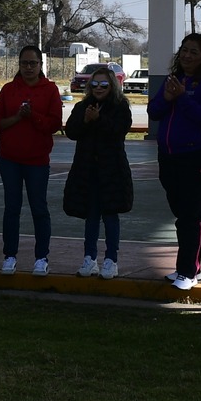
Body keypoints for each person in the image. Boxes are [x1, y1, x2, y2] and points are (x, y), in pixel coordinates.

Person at [150, 32, 201, 292]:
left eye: (194, 51)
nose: (187, 55)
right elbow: (154, 111)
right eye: (184, 50)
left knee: (192, 216)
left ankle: (187, 271)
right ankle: (193, 266)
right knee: (182, 213)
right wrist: (168, 98)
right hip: (170, 156)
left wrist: (182, 98)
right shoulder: (174, 80)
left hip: (198, 156)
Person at [0, 46, 63, 276]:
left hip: (37, 161)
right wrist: (17, 117)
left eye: (33, 63)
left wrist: (33, 117)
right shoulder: (9, 90)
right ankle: (10, 255)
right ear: (18, 65)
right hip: (9, 159)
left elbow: (54, 124)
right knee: (12, 208)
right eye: (24, 63)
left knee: (39, 208)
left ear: (41, 65)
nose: (29, 68)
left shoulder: (50, 90)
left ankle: (41, 257)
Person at [63, 64, 133, 278]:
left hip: (111, 171)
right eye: (94, 84)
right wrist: (85, 120)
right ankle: (89, 258)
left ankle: (111, 259)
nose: (99, 88)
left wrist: (99, 119)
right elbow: (71, 131)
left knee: (110, 216)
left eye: (103, 84)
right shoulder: (82, 107)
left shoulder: (120, 107)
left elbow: (119, 130)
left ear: (112, 85)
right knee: (91, 216)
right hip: (87, 170)